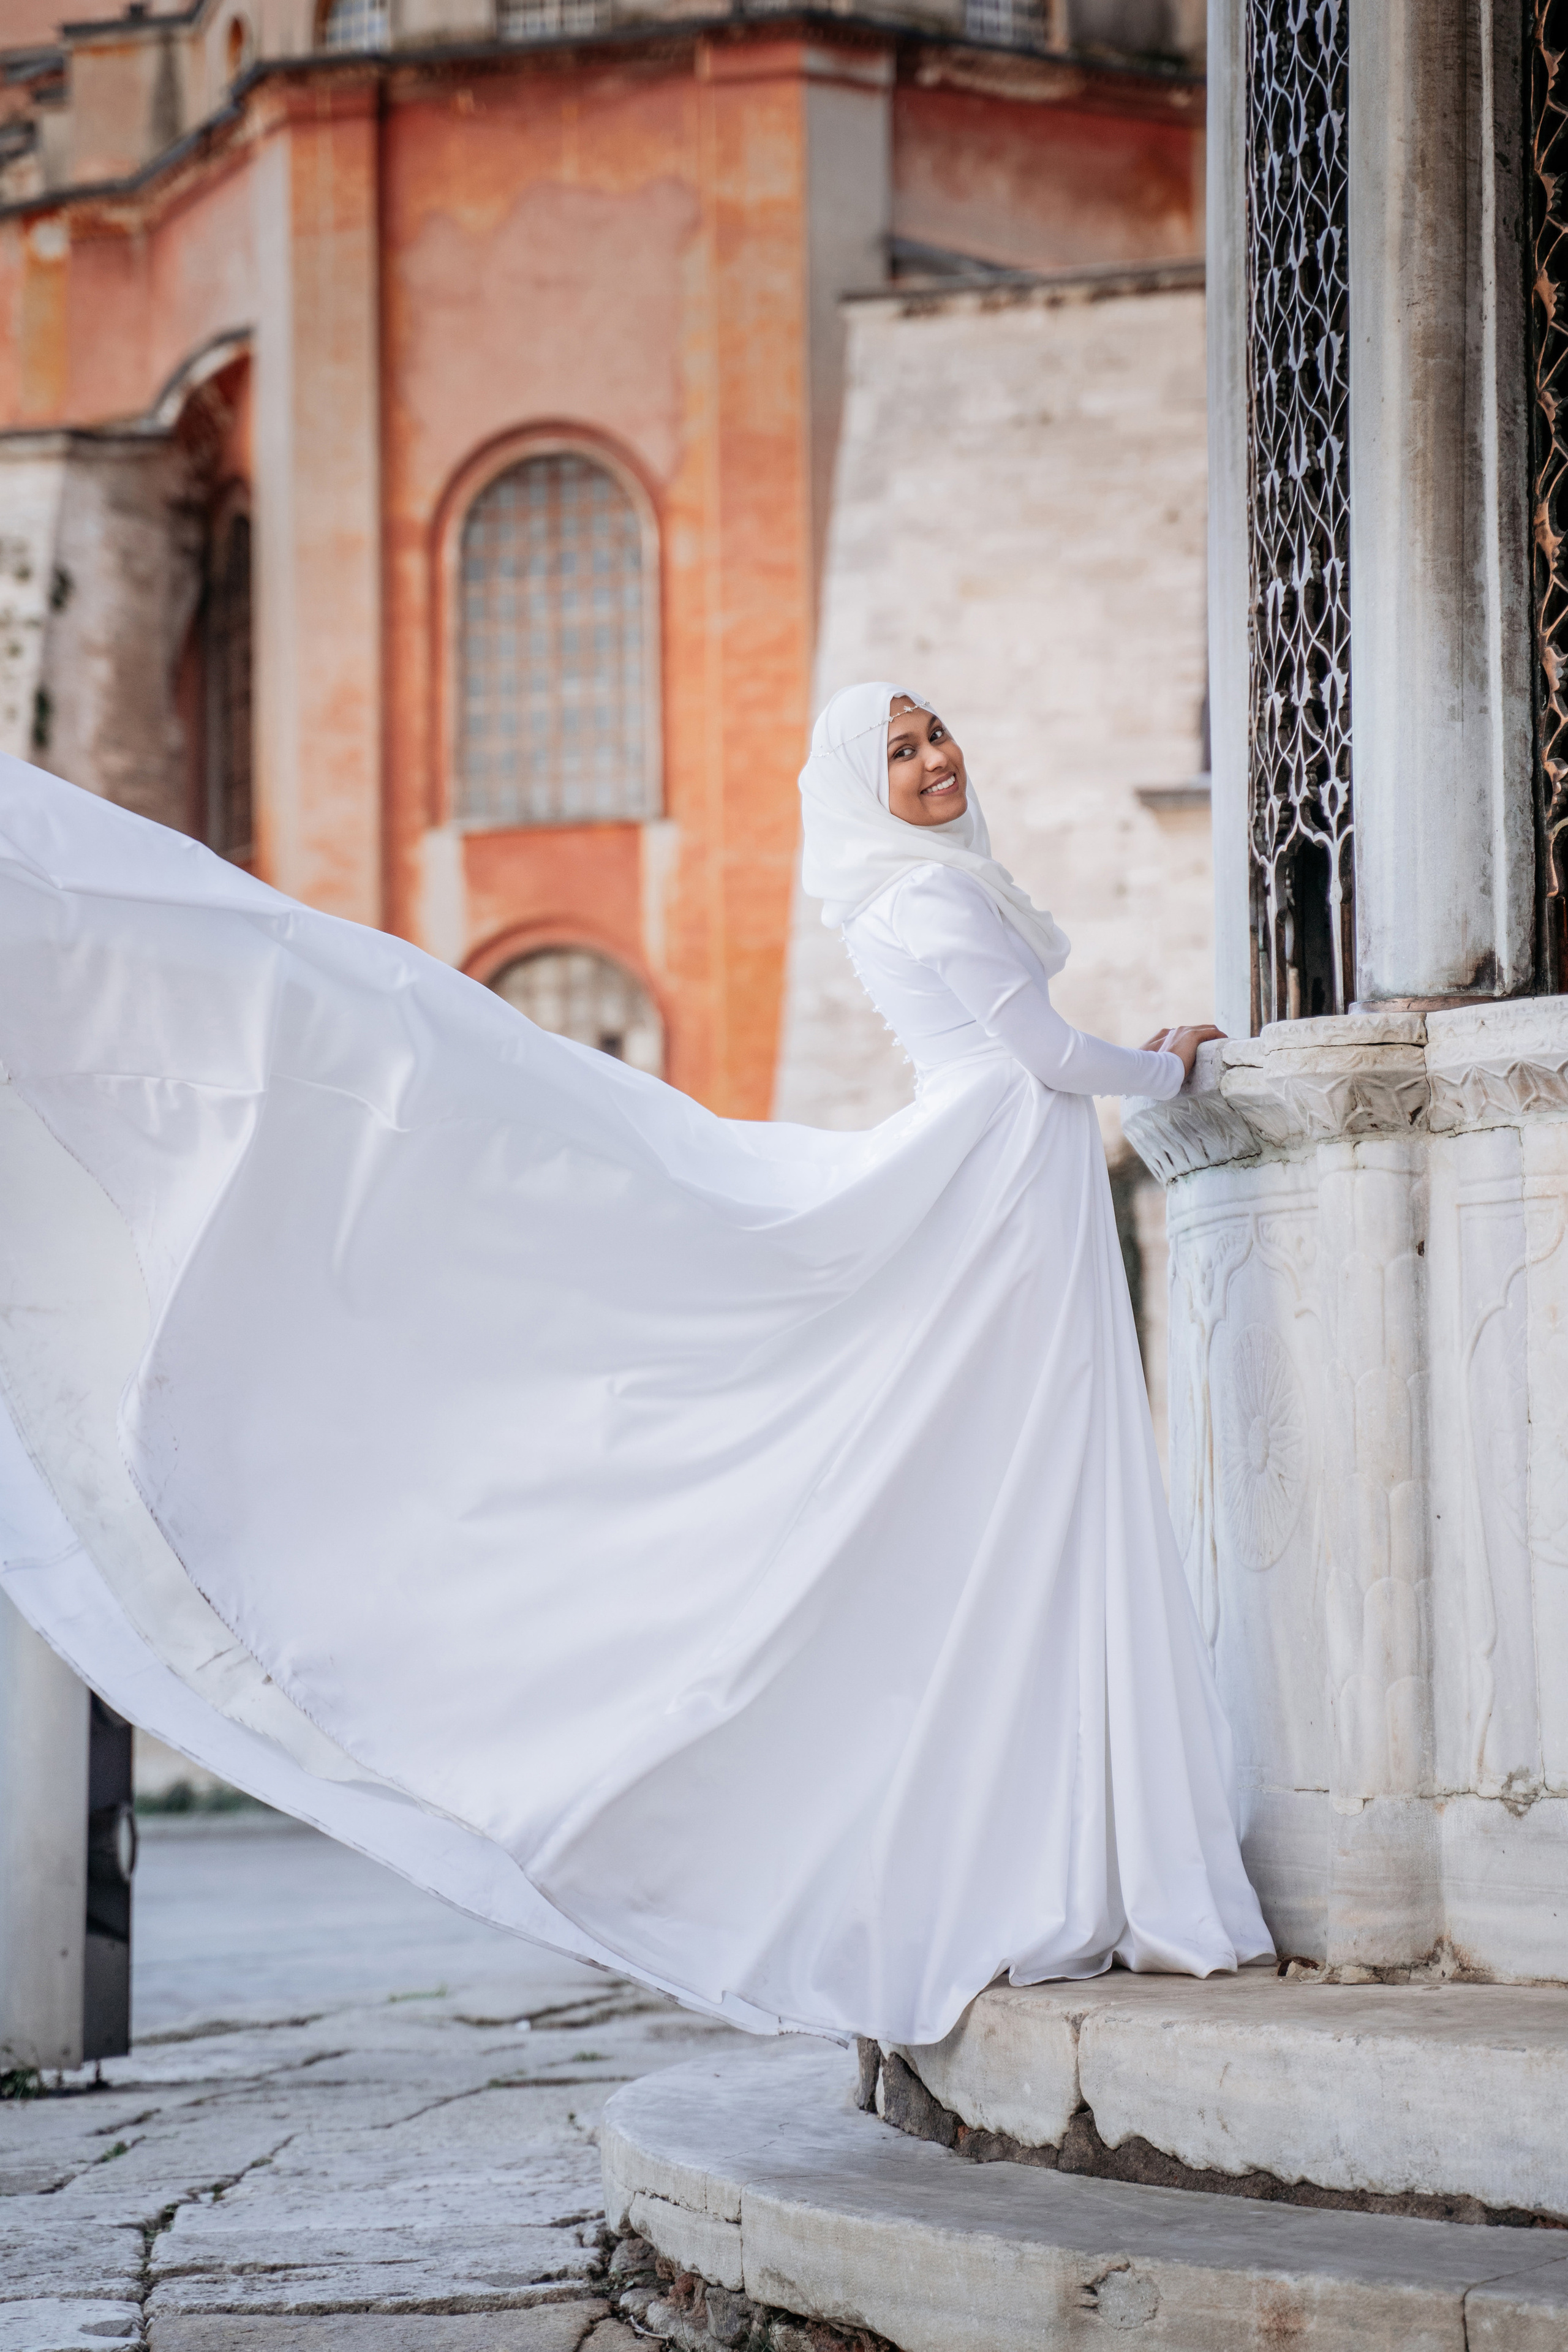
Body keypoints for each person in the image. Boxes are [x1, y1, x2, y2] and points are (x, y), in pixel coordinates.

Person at [0, 680, 1270, 2048]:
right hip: (995, 1189)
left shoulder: (906, 891)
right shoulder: (929, 897)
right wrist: (1171, 1070)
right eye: (898, 751)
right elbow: (1041, 1054)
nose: (931, 761)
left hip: (1000, 1181)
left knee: (1035, 1499)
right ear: (863, 788)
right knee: (1038, 1493)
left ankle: (1081, 1851)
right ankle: (1087, 1858)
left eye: (935, 734)